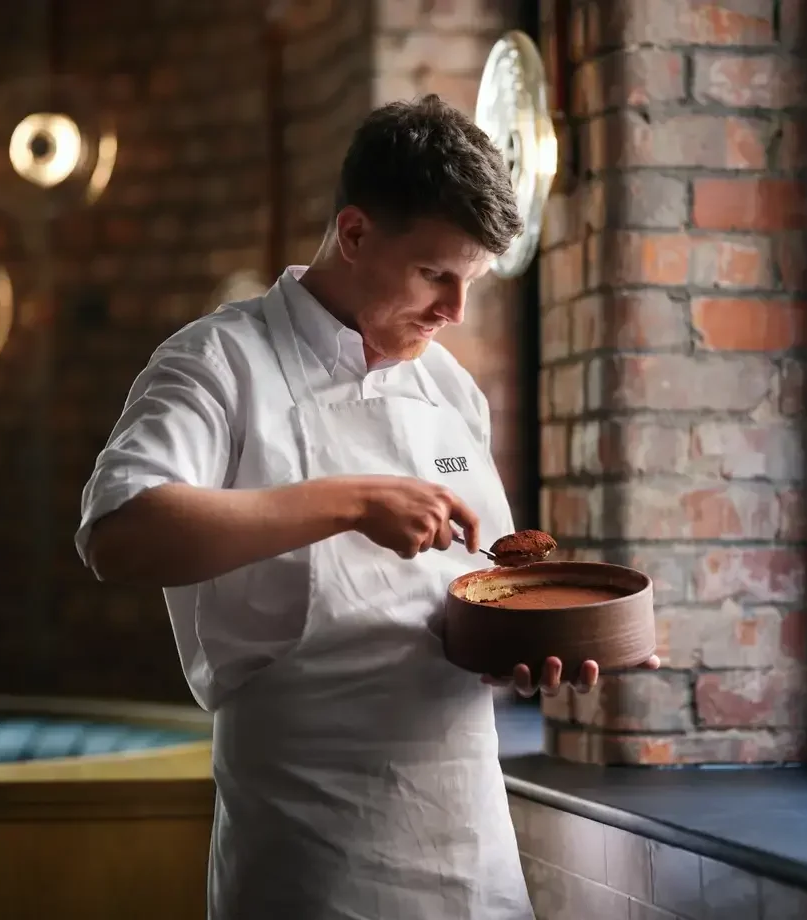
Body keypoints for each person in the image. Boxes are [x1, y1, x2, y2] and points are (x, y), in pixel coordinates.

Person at [76, 94, 659, 920]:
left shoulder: (448, 387)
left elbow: (456, 594)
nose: (456, 311)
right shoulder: (218, 361)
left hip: (468, 834)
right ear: (353, 234)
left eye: (473, 282)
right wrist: (348, 501)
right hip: (309, 847)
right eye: (435, 274)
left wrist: (522, 650)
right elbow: (119, 535)